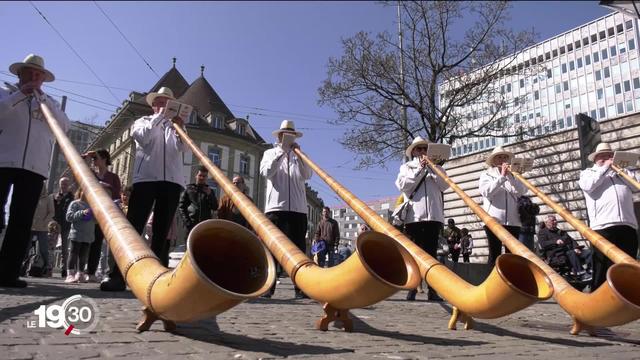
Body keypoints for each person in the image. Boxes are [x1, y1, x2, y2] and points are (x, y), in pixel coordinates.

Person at [101, 87, 189, 291]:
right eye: (160, 102)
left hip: (172, 182)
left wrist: (181, 129)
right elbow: (143, 138)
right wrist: (160, 118)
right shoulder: (142, 122)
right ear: (153, 105)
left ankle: (157, 278)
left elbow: (185, 148)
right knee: (133, 228)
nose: (164, 106)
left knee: (162, 233)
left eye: (168, 103)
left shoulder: (175, 126)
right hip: (146, 180)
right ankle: (117, 275)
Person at [0, 54, 70, 287]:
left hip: (34, 166)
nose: (34, 77)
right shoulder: (6, 93)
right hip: (4, 160)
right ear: (20, 74)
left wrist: (44, 101)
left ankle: (8, 272)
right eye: (29, 73)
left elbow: (64, 126)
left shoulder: (49, 101)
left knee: (21, 221)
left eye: (38, 75)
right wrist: (22, 94)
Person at [259, 120, 312, 299]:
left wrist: (299, 154)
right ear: (280, 136)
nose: (288, 138)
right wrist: (281, 152)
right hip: (276, 208)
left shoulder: (299, 155)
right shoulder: (269, 153)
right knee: (273, 249)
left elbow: (307, 175)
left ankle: (301, 287)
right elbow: (267, 172)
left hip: (298, 209)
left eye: (292, 135)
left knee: (298, 250)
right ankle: (268, 287)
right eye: (286, 135)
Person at [578, 142, 639, 289]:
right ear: (595, 159)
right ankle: (597, 298)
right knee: (602, 267)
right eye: (602, 157)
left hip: (627, 224)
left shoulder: (621, 173)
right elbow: (588, 185)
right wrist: (605, 167)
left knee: (626, 266)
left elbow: (635, 185)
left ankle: (625, 298)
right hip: (603, 226)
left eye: (610, 156)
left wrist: (623, 171)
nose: (607, 158)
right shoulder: (588, 173)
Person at [395, 136, 449, 301]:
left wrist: (432, 169)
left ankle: (433, 290)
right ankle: (412, 287)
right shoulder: (407, 167)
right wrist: (420, 171)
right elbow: (403, 185)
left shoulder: (437, 167)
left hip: (433, 216)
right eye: (419, 149)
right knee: (414, 253)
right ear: (413, 152)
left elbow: (445, 185)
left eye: (425, 149)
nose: (422, 152)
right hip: (414, 217)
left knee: (432, 254)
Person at [479, 146, 527, 267]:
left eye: (505, 157)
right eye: (499, 157)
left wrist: (511, 177)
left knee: (512, 256)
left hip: (513, 221)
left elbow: (521, 191)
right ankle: (492, 283)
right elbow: (486, 192)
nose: (503, 160)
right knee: (495, 254)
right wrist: (501, 177)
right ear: (493, 161)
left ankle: (511, 284)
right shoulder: (486, 175)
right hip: (494, 221)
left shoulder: (514, 175)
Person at [83, 149, 121, 282]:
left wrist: (105, 186)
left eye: (96, 158)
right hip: (91, 212)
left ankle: (104, 272)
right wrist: (87, 158)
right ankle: (87, 271)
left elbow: (117, 195)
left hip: (107, 213)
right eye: (92, 159)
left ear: (104, 159)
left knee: (105, 243)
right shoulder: (91, 174)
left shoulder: (113, 177)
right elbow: (81, 174)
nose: (94, 161)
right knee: (90, 241)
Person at [537, 215, 592, 281]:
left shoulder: (561, 231)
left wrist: (576, 248)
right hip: (556, 255)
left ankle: (590, 271)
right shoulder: (542, 232)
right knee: (572, 253)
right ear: (546, 222)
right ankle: (581, 274)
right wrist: (555, 242)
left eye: (555, 220)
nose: (555, 221)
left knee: (588, 252)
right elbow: (543, 244)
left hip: (570, 251)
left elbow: (572, 240)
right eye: (553, 220)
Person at [65, 187, 96, 283]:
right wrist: (82, 213)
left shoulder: (93, 205)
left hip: (88, 235)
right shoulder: (75, 203)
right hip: (76, 234)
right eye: (84, 192)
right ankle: (70, 274)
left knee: (83, 256)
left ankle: (80, 274)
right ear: (80, 192)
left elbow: (95, 221)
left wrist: (95, 216)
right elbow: (69, 217)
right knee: (73, 254)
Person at [178, 166, 219, 234]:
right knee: (190, 244)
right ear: (196, 176)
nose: (202, 178)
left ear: (207, 177)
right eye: (200, 175)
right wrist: (188, 223)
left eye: (204, 176)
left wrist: (210, 195)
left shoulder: (210, 191)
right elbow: (181, 207)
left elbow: (215, 207)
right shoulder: (188, 189)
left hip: (205, 226)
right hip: (191, 225)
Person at [30, 184, 54, 276]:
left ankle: (46, 267)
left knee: (43, 248)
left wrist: (45, 221)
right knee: (27, 247)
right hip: (32, 226)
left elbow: (51, 212)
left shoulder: (48, 198)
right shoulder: (32, 196)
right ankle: (24, 266)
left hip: (43, 227)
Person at [52, 177, 74, 278]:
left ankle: (64, 269)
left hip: (66, 225)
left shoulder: (72, 197)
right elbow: (52, 210)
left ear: (69, 185)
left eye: (66, 184)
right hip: (55, 224)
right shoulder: (55, 197)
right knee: (51, 247)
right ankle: (47, 267)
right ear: (59, 185)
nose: (64, 186)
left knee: (65, 249)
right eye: (62, 184)